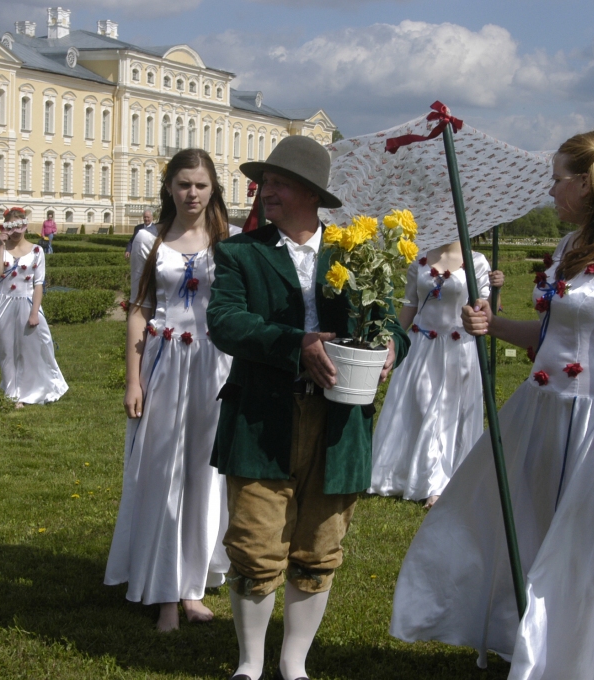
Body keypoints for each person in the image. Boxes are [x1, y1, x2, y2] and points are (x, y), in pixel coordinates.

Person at [390, 130, 594, 679]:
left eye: (559, 179)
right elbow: (552, 336)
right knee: (520, 527)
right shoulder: (571, 249)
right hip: (545, 410)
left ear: (589, 184)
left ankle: (583, 662)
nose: (551, 190)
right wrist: (492, 324)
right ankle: (528, 644)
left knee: (586, 550)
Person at [206, 135, 409, 680]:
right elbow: (225, 322)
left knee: (321, 542)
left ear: (309, 194)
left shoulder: (356, 252)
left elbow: (387, 320)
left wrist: (391, 344)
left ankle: (294, 664)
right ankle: (250, 664)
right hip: (262, 416)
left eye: (276, 183)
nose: (264, 191)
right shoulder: (239, 252)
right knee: (254, 540)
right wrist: (296, 342)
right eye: (264, 183)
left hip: (340, 420)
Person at [104, 149, 239, 632]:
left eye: (201, 185)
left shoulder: (230, 242)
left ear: (213, 189)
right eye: (183, 184)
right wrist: (134, 379)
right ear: (169, 187)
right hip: (164, 363)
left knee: (204, 474)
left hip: (213, 367)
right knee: (162, 472)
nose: (192, 194)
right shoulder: (149, 240)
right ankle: (163, 592)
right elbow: (139, 309)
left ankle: (193, 586)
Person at [369, 243, 503, 508]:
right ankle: (415, 474)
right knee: (422, 402)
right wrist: (392, 340)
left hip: (458, 348)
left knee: (448, 412)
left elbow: (488, 309)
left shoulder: (476, 262)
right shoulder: (419, 261)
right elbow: (410, 305)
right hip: (421, 345)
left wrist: (497, 288)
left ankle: (437, 483)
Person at [0, 207, 68, 407]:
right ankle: (12, 394)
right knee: (7, 350)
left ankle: (34, 389)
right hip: (4, 303)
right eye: (11, 227)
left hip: (27, 302)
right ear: (5, 227)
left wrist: (35, 313)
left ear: (25, 226)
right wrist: (1, 246)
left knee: (32, 348)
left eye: (20, 226)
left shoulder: (37, 250)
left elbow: (38, 284)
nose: (16, 231)